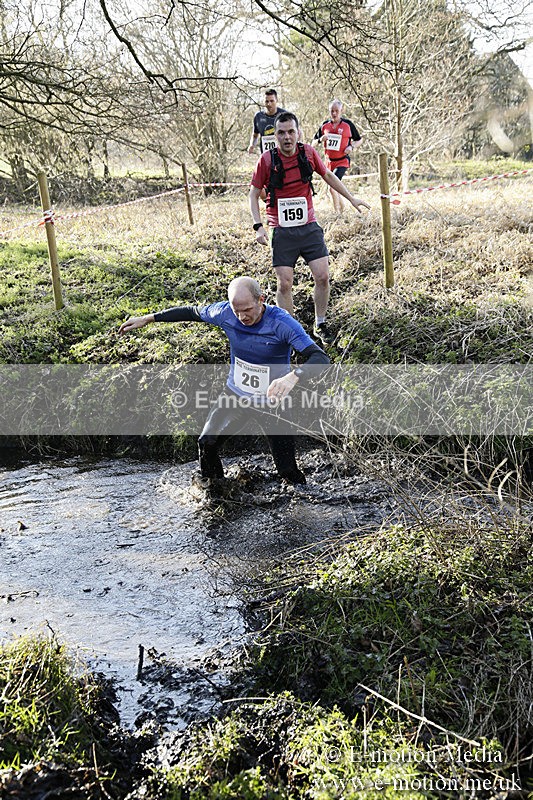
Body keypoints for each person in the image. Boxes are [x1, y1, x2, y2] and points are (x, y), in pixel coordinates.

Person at [118, 276, 330, 489]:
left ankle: (303, 506)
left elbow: (320, 358)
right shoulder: (224, 313)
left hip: (273, 402)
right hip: (235, 396)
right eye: (236, 310)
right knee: (206, 443)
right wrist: (149, 318)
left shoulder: (281, 323)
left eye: (247, 310)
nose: (241, 317)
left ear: (261, 300)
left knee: (287, 471)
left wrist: (293, 376)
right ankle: (217, 494)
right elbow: (192, 312)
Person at [250, 111, 370, 346]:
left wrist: (351, 198)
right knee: (284, 283)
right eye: (281, 133)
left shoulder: (308, 152)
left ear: (298, 132)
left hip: (308, 226)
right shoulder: (266, 160)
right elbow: (253, 194)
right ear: (275, 136)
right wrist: (258, 226)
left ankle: (320, 323)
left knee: (323, 276)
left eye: (291, 132)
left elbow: (328, 176)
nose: (287, 137)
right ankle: (291, 332)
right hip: (280, 228)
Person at [312, 99, 363, 213]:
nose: (334, 114)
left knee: (333, 187)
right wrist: (320, 139)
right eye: (332, 111)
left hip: (342, 161)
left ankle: (337, 214)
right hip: (329, 162)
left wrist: (351, 147)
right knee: (336, 187)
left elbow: (359, 140)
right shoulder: (324, 125)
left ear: (341, 111)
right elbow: (313, 143)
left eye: (336, 111)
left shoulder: (347, 125)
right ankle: (342, 209)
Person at [248, 89, 287, 155]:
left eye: (272, 101)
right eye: (267, 101)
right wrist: (252, 145)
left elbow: (296, 132)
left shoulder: (284, 115)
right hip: (266, 155)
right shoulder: (258, 117)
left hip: (283, 154)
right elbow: (255, 135)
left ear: (276, 101)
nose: (269, 104)